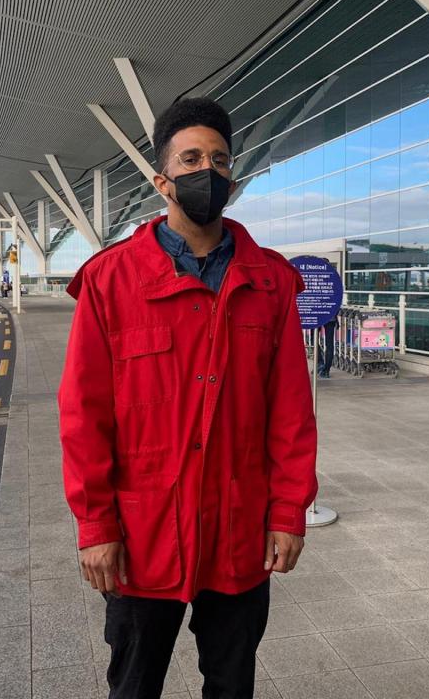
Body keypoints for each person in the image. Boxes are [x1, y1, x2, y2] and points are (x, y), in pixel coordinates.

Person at [59, 98, 318, 699]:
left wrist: (288, 512)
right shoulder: (110, 280)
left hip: (238, 535)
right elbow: (84, 415)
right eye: (192, 157)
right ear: (162, 179)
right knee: (133, 687)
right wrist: (96, 525)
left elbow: (290, 412)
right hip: (143, 539)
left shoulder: (269, 281)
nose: (208, 169)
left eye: (221, 159)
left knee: (232, 687)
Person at [317, 310, 339, 379]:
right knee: (329, 344)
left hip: (316, 316)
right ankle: (326, 371)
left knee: (313, 340)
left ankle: (320, 363)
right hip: (330, 316)